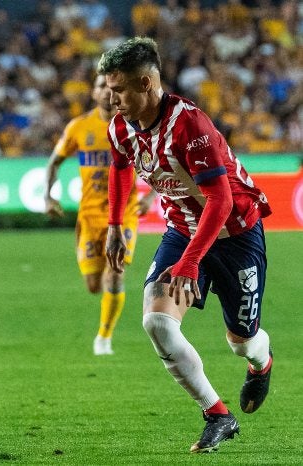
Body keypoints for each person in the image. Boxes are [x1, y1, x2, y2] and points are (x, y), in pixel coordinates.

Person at [99, 37, 273, 453]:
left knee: (241, 341)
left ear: (146, 83)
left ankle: (261, 361)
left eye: (118, 89)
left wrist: (191, 263)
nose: (111, 99)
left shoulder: (190, 126)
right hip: (182, 230)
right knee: (157, 323)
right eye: (108, 89)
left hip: (234, 234)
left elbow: (221, 198)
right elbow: (121, 168)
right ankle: (217, 415)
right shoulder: (120, 126)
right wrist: (114, 225)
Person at [44, 74, 154, 356]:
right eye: (101, 87)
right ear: (93, 93)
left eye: (111, 87)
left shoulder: (133, 126)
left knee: (115, 274)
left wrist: (151, 196)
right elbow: (54, 162)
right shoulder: (79, 127)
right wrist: (48, 195)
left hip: (124, 214)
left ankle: (104, 337)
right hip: (90, 216)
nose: (106, 92)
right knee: (94, 285)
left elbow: (158, 162)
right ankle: (104, 326)